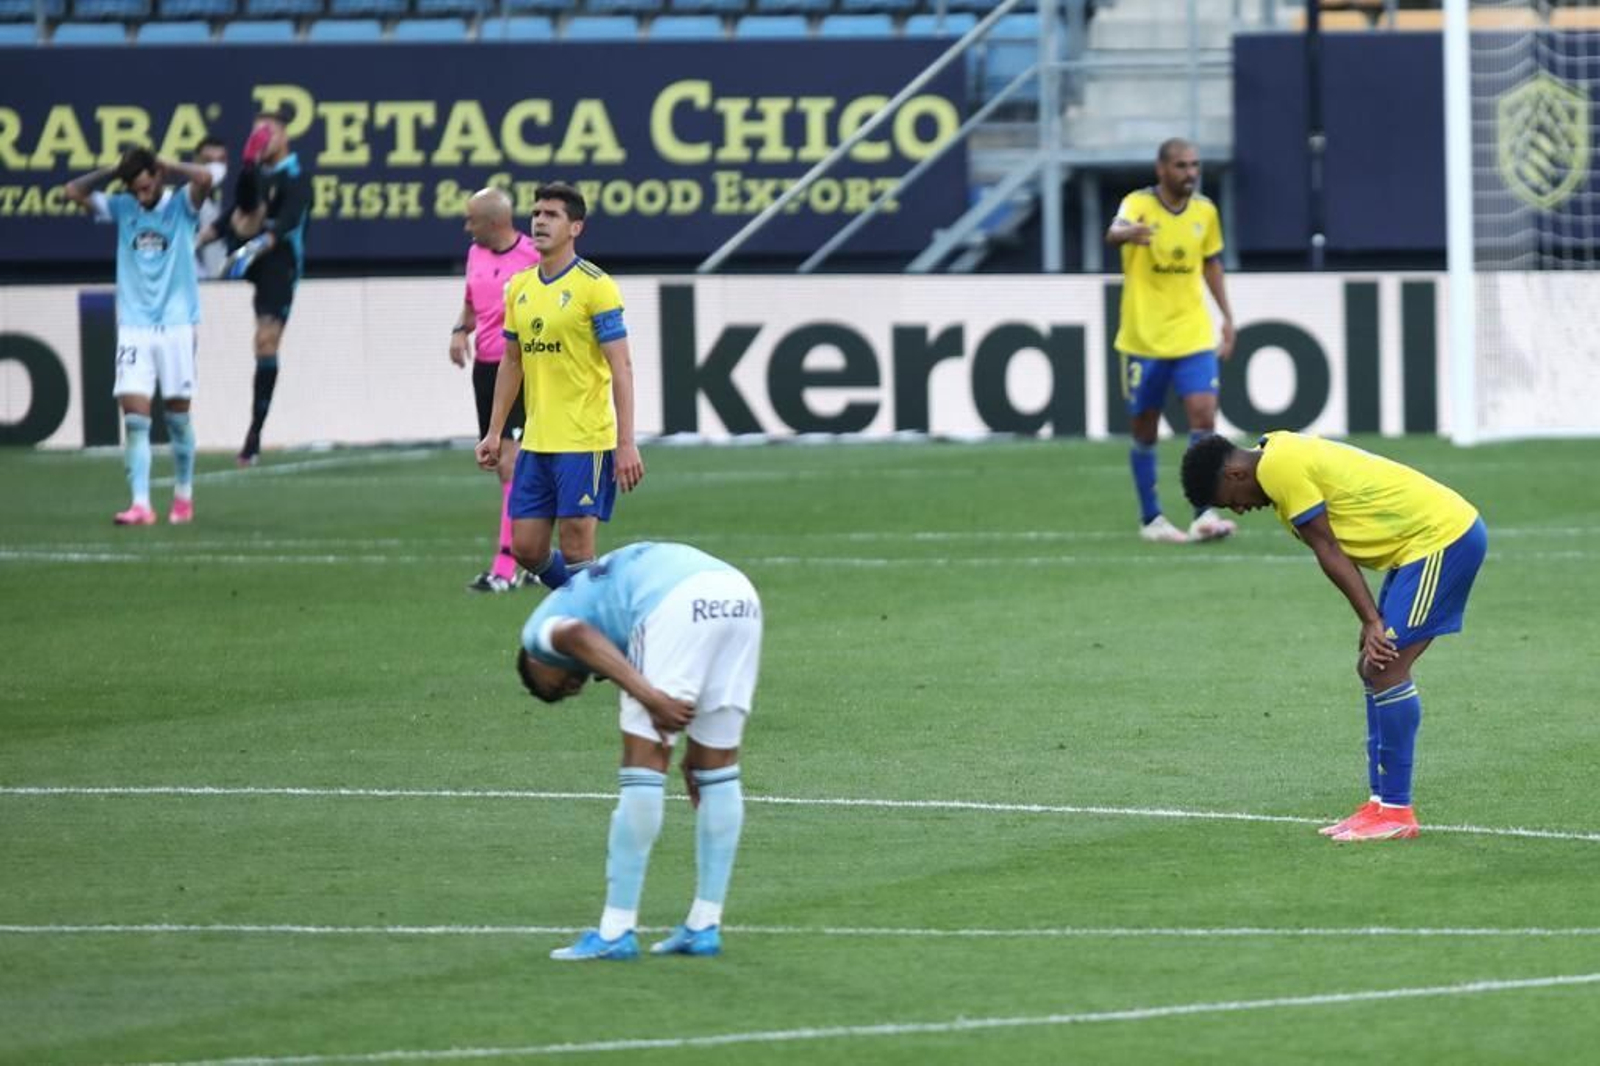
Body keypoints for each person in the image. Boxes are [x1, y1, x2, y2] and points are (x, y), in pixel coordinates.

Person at [1180, 432, 1488, 842]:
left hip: (1442, 539)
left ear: (1236, 472)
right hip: (1416, 547)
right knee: (1372, 668)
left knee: (1386, 668)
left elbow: (1328, 548)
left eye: (1230, 500)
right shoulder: (1276, 459)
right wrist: (1369, 620)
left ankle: (1396, 811)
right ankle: (1380, 804)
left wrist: (1370, 619)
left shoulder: (1278, 466)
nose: (1239, 509)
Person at [516, 541, 763, 960]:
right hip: (738, 594)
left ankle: (615, 932)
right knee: (717, 767)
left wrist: (650, 696)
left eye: (555, 690)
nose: (570, 689)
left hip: (673, 602)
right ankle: (704, 925)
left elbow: (576, 636)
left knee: (644, 766)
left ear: (534, 665)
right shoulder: (593, 604)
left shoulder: (537, 637)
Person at [476, 182, 645, 589]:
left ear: (575, 228)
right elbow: (512, 362)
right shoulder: (519, 287)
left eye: (551, 215)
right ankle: (593, 605)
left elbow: (620, 366)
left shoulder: (595, 286)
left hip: (585, 440)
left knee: (576, 546)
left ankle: (588, 630)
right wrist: (495, 431)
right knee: (527, 549)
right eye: (536, 213)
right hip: (537, 440)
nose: (539, 221)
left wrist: (625, 442)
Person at [63, 147, 214, 525]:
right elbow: (72, 191)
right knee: (134, 419)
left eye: (146, 187)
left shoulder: (182, 205)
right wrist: (112, 169)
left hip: (177, 325)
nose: (141, 196)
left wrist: (170, 164)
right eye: (134, 189)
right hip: (134, 326)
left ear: (159, 177)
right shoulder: (123, 207)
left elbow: (206, 178)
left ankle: (183, 495)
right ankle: (141, 504)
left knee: (178, 419)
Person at [1107, 138, 1239, 545]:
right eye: (1182, 166)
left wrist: (1227, 317)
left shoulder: (1205, 211)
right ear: (1161, 169)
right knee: (1145, 428)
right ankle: (1153, 520)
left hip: (1193, 334)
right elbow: (1113, 232)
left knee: (1204, 417)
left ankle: (1203, 512)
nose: (1190, 173)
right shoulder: (1138, 204)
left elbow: (1211, 264)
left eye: (1195, 165)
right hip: (1144, 338)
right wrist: (1128, 234)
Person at [451, 188, 542, 594]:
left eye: (472, 220)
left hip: (524, 367)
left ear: (494, 223)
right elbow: (472, 302)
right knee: (505, 466)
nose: (467, 227)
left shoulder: (533, 256)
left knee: (510, 463)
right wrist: (459, 330)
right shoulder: (476, 254)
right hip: (487, 369)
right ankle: (536, 559)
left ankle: (505, 566)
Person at [221, 110, 311, 466]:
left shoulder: (297, 177)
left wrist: (252, 248)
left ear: (285, 136)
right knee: (248, 205)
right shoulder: (259, 176)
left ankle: (254, 432)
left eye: (268, 133)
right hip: (248, 249)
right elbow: (236, 210)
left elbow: (289, 221)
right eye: (257, 133)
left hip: (279, 262)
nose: (263, 138)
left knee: (265, 342)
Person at [190, 137, 229, 280]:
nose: (215, 167)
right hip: (193, 283)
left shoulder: (233, 200)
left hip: (230, 285)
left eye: (221, 161)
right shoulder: (180, 202)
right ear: (196, 162)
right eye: (208, 161)